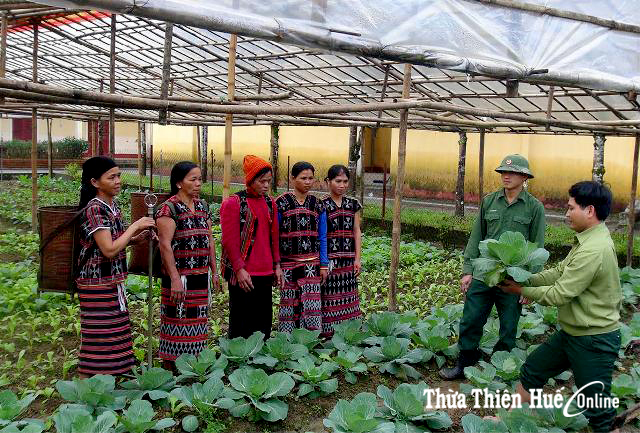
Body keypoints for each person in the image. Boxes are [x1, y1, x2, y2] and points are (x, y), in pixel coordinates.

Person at [498, 181, 621, 433]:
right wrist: (525, 279)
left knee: (597, 408)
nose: (566, 214)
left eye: (571, 208)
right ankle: (509, 423)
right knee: (533, 370)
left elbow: (559, 293)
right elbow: (558, 273)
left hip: (593, 339)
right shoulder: (588, 240)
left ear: (590, 210)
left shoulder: (594, 250)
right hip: (573, 332)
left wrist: (520, 291)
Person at [440, 154, 546, 380]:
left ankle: (500, 368)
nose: (506, 176)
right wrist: (467, 270)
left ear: (524, 177)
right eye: (503, 172)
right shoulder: (489, 201)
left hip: (513, 278)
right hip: (484, 272)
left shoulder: (534, 207)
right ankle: (465, 362)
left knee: (509, 325)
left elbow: (537, 248)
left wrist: (530, 284)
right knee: (471, 319)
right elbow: (476, 236)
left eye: (512, 172)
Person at [76, 156, 156, 377]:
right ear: (94, 182)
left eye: (118, 175)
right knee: (98, 337)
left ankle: (108, 379)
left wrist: (136, 239)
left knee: (114, 333)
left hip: (111, 280)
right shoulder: (95, 208)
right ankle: (87, 379)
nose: (118, 181)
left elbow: (114, 242)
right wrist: (135, 226)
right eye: (111, 177)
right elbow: (109, 249)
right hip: (96, 283)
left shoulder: (111, 206)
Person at [156, 161, 220, 371]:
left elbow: (209, 240)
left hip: (200, 277)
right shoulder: (169, 209)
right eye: (193, 179)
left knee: (198, 322)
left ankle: (194, 367)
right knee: (176, 321)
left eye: (200, 179)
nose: (198, 183)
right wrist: (174, 278)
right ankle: (172, 369)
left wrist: (214, 271)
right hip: (179, 278)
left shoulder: (202, 206)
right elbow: (165, 245)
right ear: (178, 183)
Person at [220, 155, 282, 339]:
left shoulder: (270, 203)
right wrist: (239, 269)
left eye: (268, 181)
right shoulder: (234, 203)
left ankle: (261, 353)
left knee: (263, 321)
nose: (266, 185)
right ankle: (238, 353)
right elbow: (229, 241)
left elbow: (274, 237)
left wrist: (277, 266)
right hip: (244, 273)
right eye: (262, 181)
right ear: (250, 180)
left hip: (265, 271)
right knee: (241, 321)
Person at [276, 161, 328, 333]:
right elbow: (274, 236)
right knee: (289, 304)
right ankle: (287, 339)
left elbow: (322, 236)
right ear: (293, 179)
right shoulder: (281, 203)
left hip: (312, 264)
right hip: (287, 264)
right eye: (303, 178)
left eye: (311, 178)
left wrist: (324, 264)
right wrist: (276, 265)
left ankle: (310, 339)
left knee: (311, 305)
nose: (308, 182)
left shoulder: (318, 204)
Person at [320, 164, 363, 337]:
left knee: (349, 297)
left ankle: (350, 333)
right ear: (328, 181)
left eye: (345, 181)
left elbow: (356, 231)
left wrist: (357, 259)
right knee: (329, 298)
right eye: (338, 181)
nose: (342, 185)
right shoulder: (321, 205)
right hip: (330, 262)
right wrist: (322, 262)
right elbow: (320, 235)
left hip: (348, 260)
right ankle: (329, 335)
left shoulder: (353, 204)